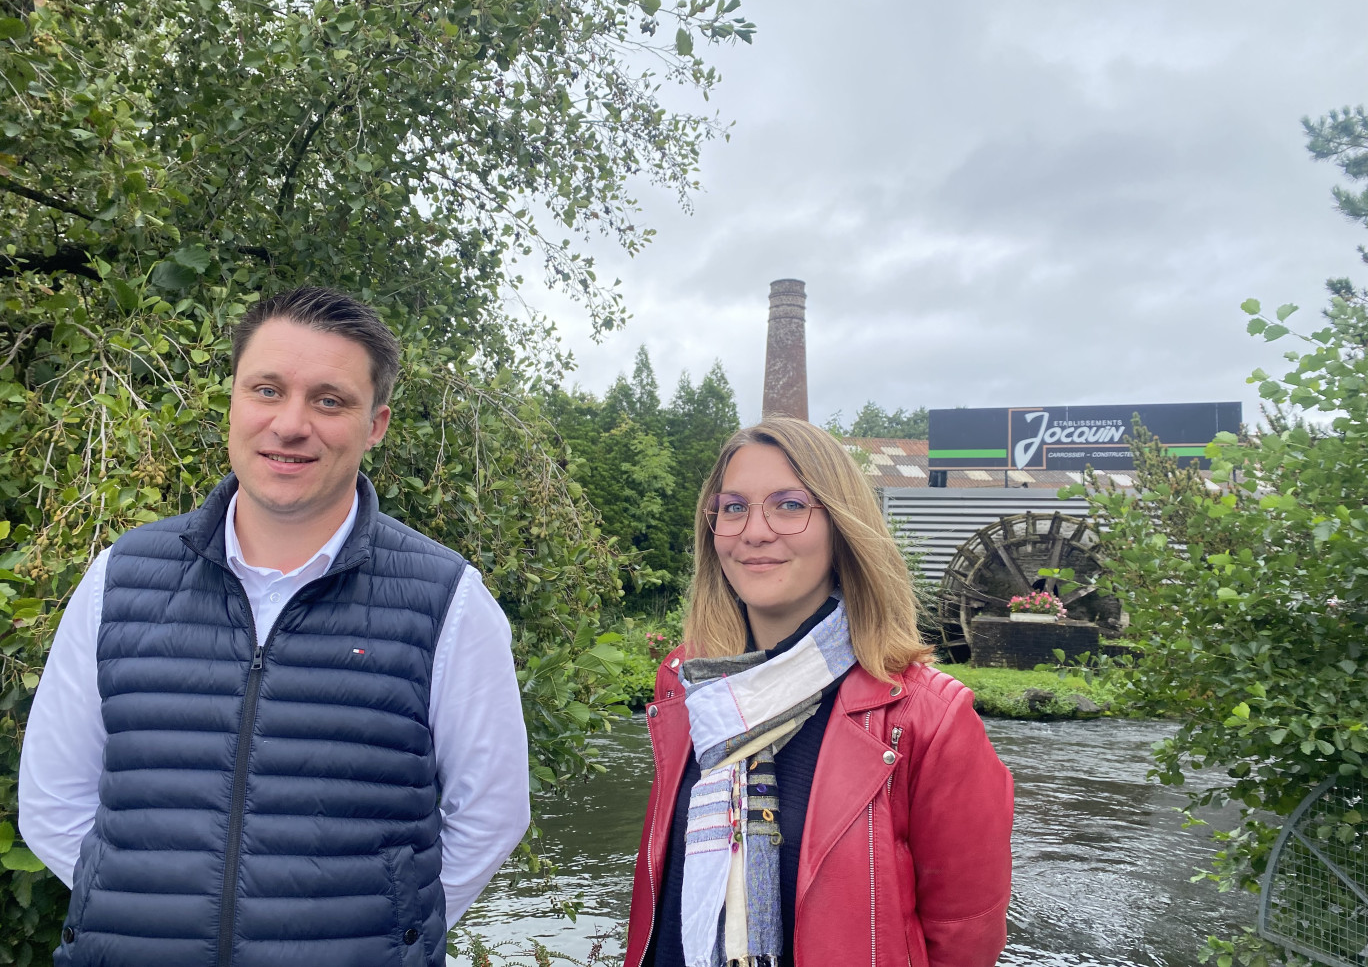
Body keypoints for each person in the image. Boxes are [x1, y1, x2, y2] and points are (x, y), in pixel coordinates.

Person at [18, 287, 530, 967]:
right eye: (266, 389)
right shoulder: (120, 578)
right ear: (232, 398)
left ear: (376, 424)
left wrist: (388, 934)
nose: (290, 424)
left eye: (329, 400)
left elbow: (492, 814)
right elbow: (54, 800)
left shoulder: (449, 600)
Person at [623, 416, 1013, 967]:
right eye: (733, 508)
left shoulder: (927, 719)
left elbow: (963, 939)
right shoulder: (693, 691)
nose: (754, 531)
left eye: (789, 504)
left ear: (841, 525)